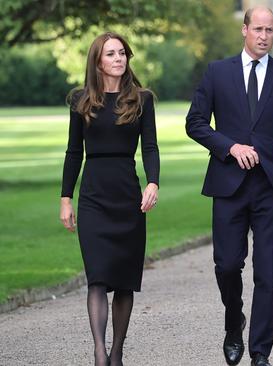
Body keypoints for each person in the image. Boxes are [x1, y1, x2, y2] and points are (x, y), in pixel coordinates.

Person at [185, 6, 273, 366]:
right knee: (226, 265)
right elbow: (195, 123)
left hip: (271, 187)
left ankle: (260, 353)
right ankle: (233, 320)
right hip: (228, 185)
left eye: (270, 30)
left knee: (268, 272)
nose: (264, 36)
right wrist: (229, 147)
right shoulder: (217, 72)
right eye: (257, 29)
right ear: (244, 30)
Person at [60, 32, 159, 366]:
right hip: (93, 197)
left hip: (127, 196)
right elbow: (74, 152)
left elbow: (150, 147)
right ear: (98, 62)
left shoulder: (142, 99)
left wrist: (153, 183)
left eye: (122, 53)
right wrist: (65, 198)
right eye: (111, 54)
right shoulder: (80, 100)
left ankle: (116, 352)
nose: (119, 59)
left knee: (124, 280)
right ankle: (100, 355)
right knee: (98, 276)